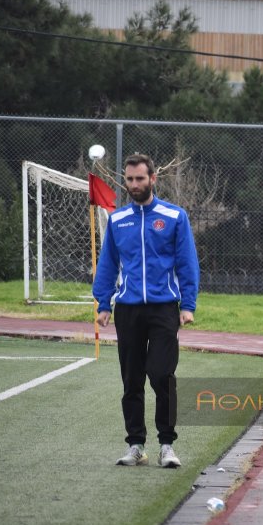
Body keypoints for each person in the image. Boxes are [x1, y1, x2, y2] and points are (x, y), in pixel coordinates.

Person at [93, 153, 199, 468]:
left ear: (153, 179)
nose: (135, 184)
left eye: (140, 178)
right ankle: (136, 445)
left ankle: (167, 445)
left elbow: (187, 262)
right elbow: (108, 264)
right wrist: (103, 302)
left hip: (165, 307)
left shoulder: (175, 216)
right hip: (127, 310)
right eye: (130, 179)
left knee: (162, 374)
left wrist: (188, 304)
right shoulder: (117, 220)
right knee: (132, 379)